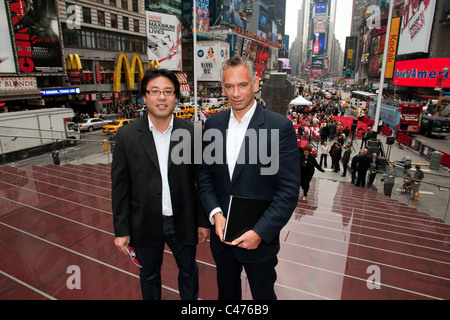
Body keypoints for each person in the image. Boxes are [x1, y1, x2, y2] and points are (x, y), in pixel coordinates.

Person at [197, 56, 300, 300]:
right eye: (229, 86)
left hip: (260, 244)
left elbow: (287, 191)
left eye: (242, 85)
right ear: (222, 87)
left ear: (255, 82)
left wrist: (260, 233)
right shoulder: (212, 125)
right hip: (223, 244)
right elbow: (205, 176)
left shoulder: (279, 128)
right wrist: (215, 214)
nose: (235, 93)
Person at [112, 68, 210, 300]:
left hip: (183, 220)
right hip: (144, 222)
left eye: (168, 91)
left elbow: (203, 180)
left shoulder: (193, 132)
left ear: (176, 96)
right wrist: (121, 230)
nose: (162, 97)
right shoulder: (126, 135)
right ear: (144, 97)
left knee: (188, 271)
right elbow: (120, 187)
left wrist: (203, 222)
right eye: (155, 91)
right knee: (149, 276)